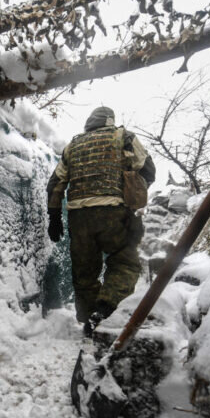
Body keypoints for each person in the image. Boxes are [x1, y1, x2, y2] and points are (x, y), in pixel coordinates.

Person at [46, 106, 155, 336]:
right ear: (109, 121)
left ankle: (88, 322)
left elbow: (55, 184)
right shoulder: (123, 136)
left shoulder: (73, 145)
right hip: (114, 213)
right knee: (125, 263)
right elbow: (149, 170)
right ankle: (106, 310)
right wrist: (133, 190)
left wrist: (54, 218)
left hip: (79, 217)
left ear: (89, 123)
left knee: (84, 274)